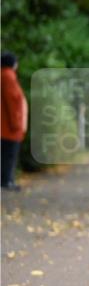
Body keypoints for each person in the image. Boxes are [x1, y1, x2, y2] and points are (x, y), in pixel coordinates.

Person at [1, 51, 27, 191]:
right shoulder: (8, 76)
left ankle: (7, 180)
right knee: (9, 155)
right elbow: (13, 101)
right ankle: (6, 181)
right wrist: (17, 124)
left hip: (5, 126)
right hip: (8, 127)